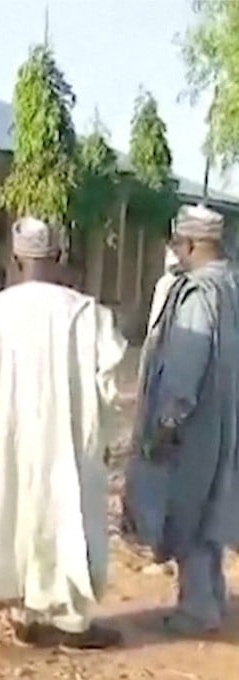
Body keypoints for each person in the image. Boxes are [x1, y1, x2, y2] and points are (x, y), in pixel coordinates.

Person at [0, 216, 126, 651]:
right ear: (60, 255)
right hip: (69, 448)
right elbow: (109, 388)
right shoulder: (87, 314)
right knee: (68, 520)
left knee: (10, 512)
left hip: (8, 445)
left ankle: (25, 617)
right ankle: (72, 622)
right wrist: (102, 438)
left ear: (16, 258)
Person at [124, 205, 239, 636]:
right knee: (213, 510)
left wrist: (167, 421)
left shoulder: (197, 294)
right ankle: (210, 596)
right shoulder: (231, 284)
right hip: (226, 419)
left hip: (196, 425)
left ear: (188, 244)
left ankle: (197, 610)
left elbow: (186, 363)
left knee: (188, 512)